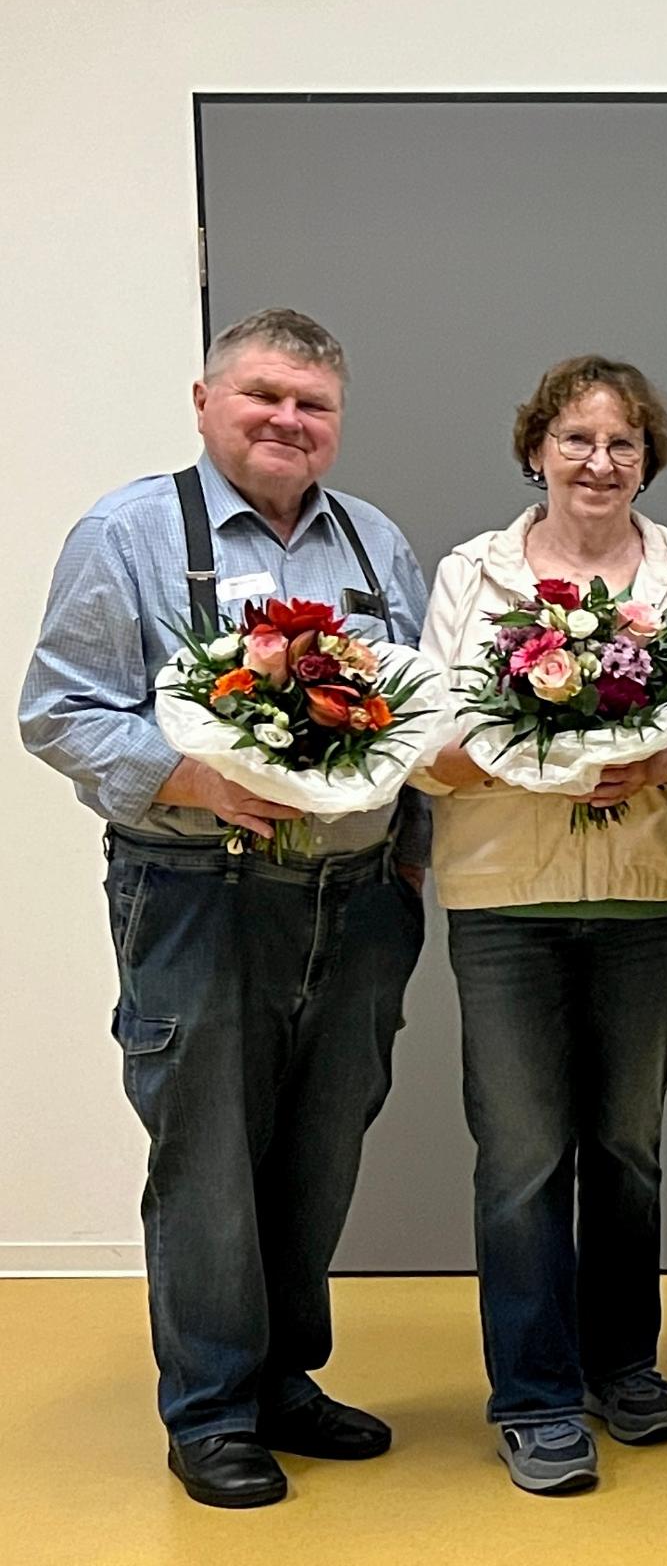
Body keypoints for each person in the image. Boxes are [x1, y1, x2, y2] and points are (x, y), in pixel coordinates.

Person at [19, 309, 429, 1508]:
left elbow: (418, 718)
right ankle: (208, 1411)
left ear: (337, 427)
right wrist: (191, 774)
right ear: (205, 404)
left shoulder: (376, 546)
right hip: (197, 890)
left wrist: (408, 861)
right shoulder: (130, 533)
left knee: (318, 1153)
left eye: (313, 406)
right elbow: (61, 710)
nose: (288, 421)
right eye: (264, 396)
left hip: (353, 901)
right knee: (205, 1159)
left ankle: (283, 1384)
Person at [416, 355, 667, 1495]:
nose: (601, 463)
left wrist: (659, 755)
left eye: (624, 444)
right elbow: (434, 742)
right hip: (505, 898)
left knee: (628, 1149)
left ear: (648, 459)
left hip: (648, 892)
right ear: (536, 448)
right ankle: (537, 1395)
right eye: (578, 440)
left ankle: (625, 1366)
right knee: (521, 1158)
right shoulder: (475, 573)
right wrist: (540, 759)